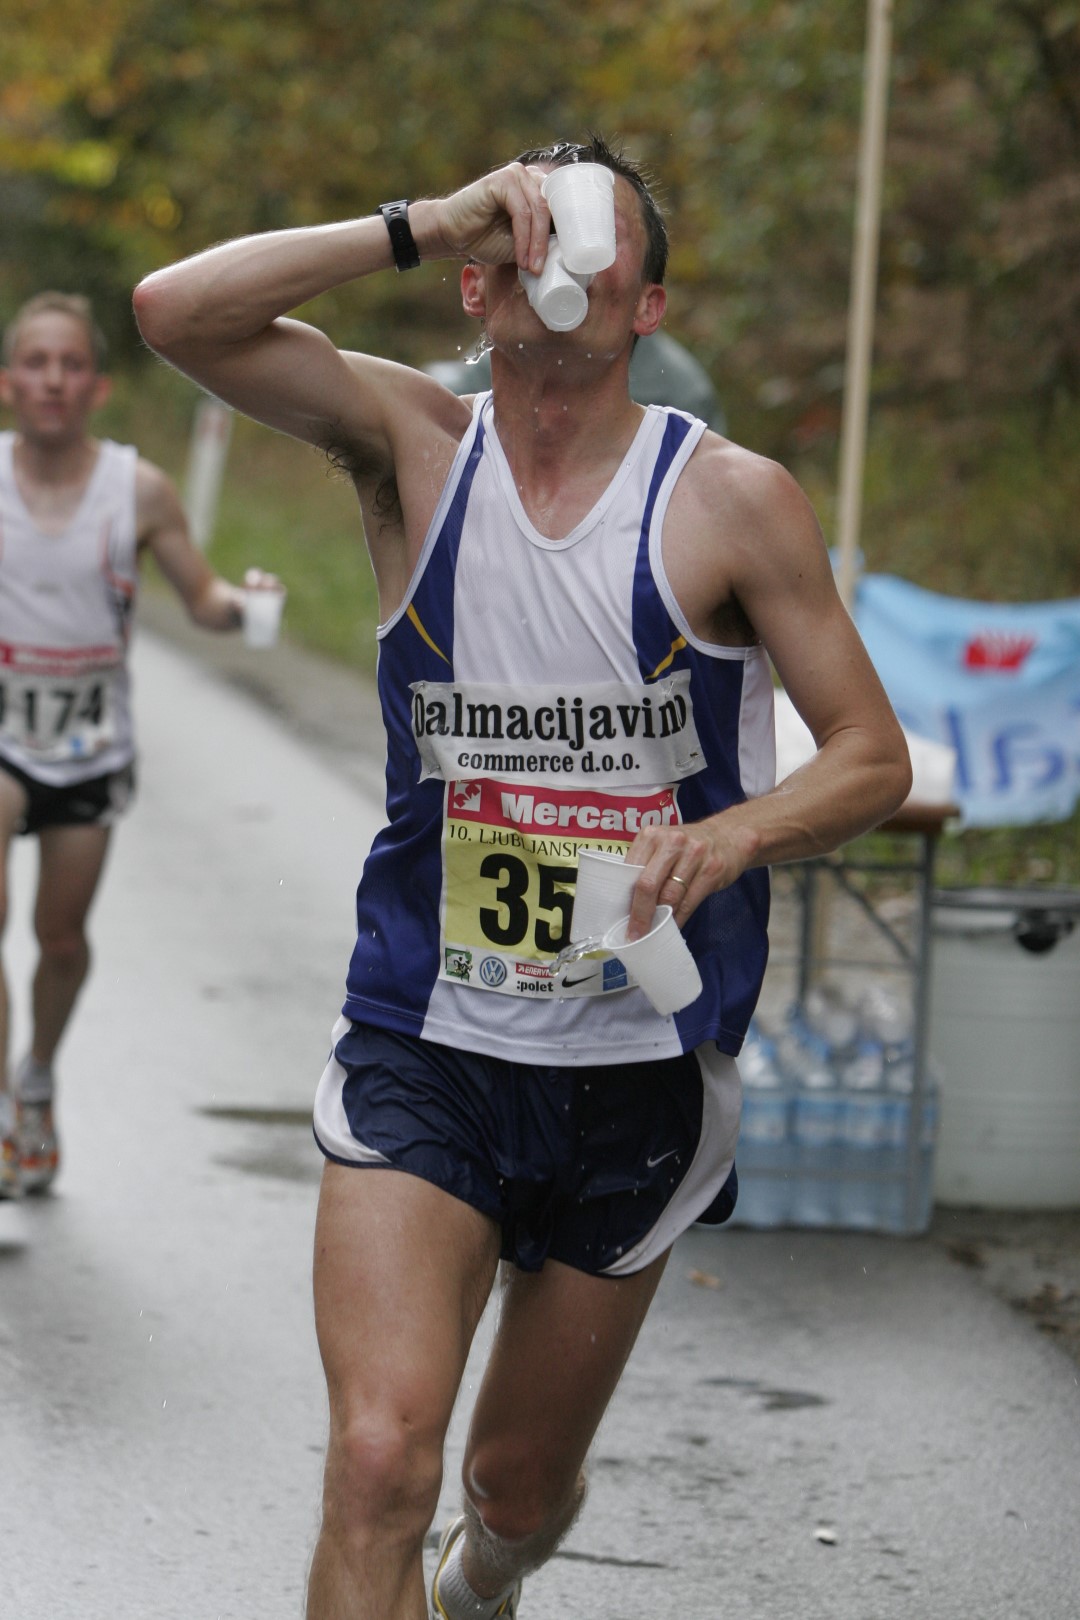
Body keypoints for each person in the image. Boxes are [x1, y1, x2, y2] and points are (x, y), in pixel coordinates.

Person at [133, 135, 911, 1620]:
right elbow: (177, 313)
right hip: (427, 1035)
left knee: (513, 1485)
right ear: (480, 288)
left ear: (650, 307)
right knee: (378, 1461)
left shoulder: (730, 499)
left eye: (598, 243)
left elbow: (868, 755)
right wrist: (423, 222)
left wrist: (731, 836)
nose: (561, 257)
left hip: (640, 1063)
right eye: (521, 235)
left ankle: (486, 1577)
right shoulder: (415, 444)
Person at [0, 291, 275, 1199]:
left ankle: (38, 1077)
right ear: (8, 382)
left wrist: (244, 606)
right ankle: (1, 1115)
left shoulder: (138, 490)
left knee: (60, 939)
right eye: (36, 363)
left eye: (71, 364)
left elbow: (202, 597)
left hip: (89, 749)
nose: (53, 379)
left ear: (98, 387)